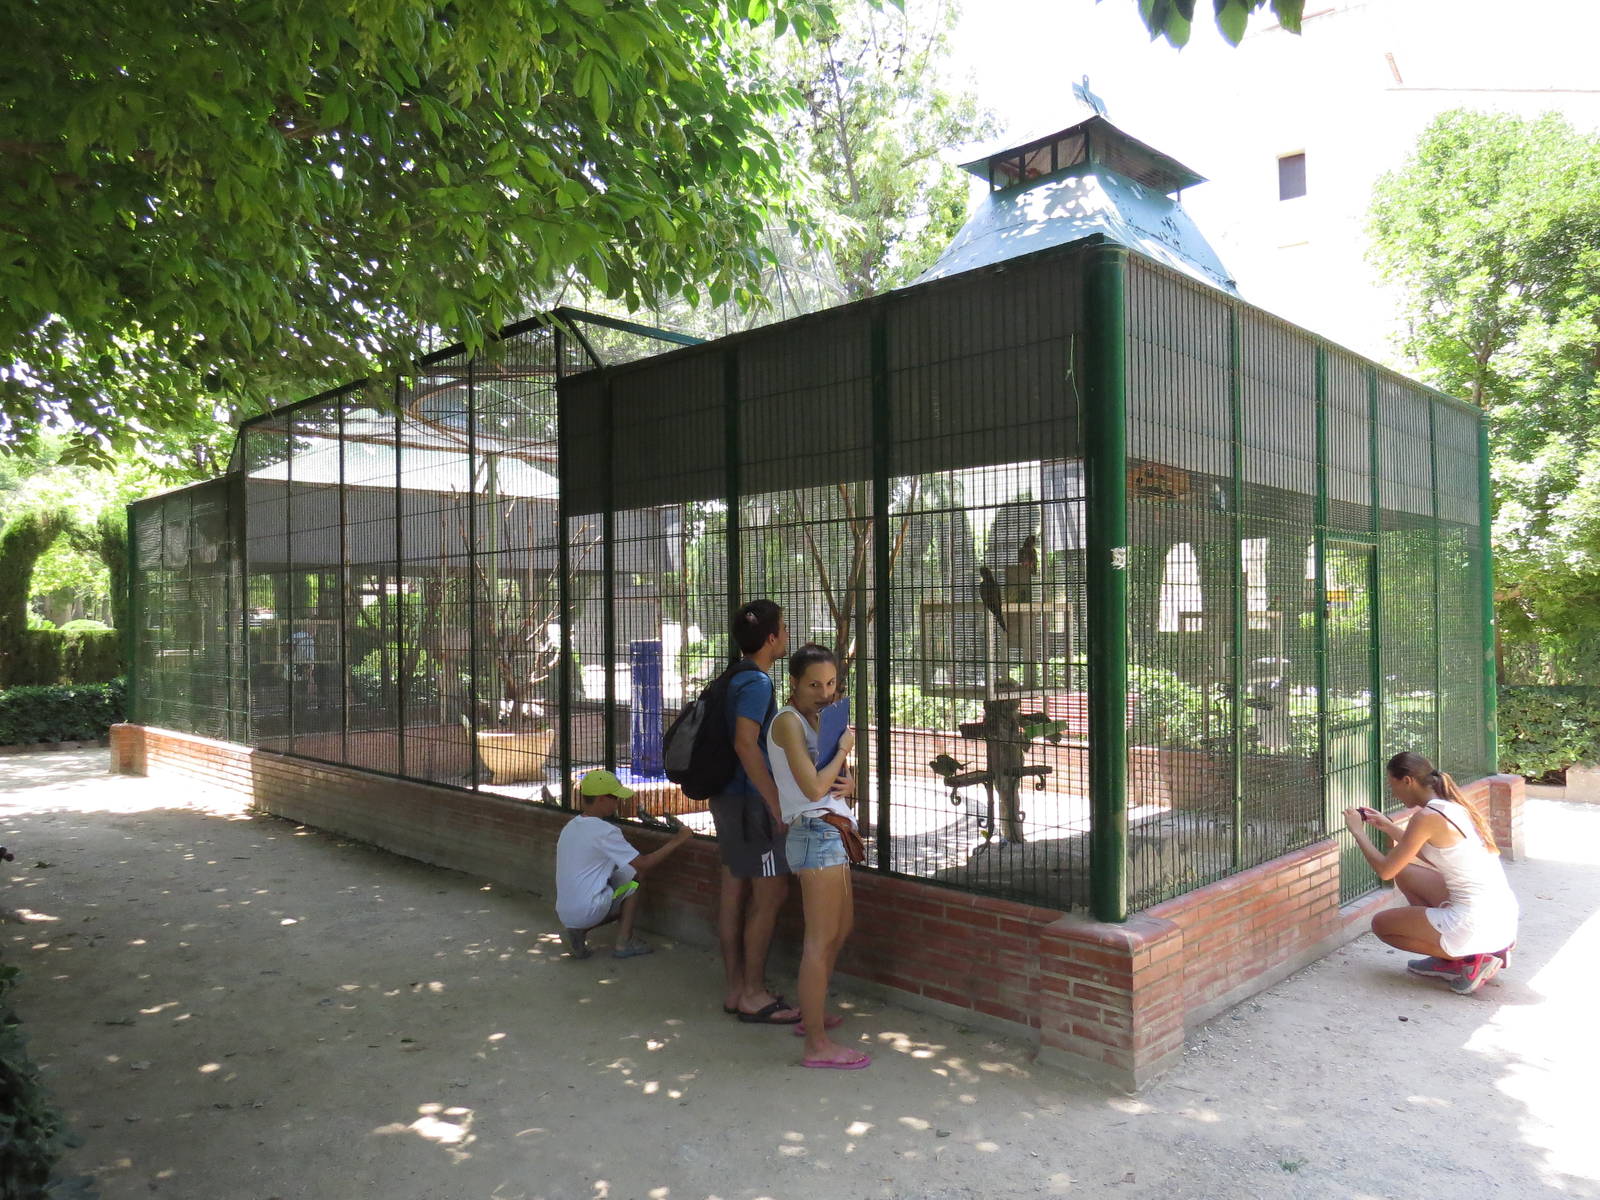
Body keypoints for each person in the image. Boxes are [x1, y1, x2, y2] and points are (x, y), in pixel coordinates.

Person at [768, 643, 868, 1068]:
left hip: (832, 831)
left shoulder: (818, 721)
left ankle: (814, 1014)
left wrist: (850, 782)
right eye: (814, 685)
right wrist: (844, 750)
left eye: (830, 684)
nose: (825, 693)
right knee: (820, 940)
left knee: (840, 930)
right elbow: (811, 789)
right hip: (815, 833)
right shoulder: (788, 722)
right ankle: (816, 1044)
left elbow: (830, 782)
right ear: (793, 683)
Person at [1344, 751, 1518, 995]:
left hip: (1474, 922)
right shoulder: (1451, 806)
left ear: (1408, 781)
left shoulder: (1426, 817)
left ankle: (1470, 959)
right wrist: (1388, 826)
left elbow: (1385, 870)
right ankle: (1464, 953)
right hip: (1500, 916)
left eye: (1393, 785)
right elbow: (1432, 854)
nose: (1393, 793)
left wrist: (1357, 832)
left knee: (1381, 924)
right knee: (1405, 872)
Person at [708, 599, 800, 1024]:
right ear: (771, 638)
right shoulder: (758, 683)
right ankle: (753, 993)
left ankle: (735, 989)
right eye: (784, 628)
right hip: (749, 803)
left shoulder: (734, 674)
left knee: (734, 891)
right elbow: (746, 744)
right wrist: (775, 802)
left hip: (728, 798)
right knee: (770, 894)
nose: (787, 635)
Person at [555, 769, 693, 960]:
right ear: (601, 799)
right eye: (615, 798)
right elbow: (643, 864)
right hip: (587, 911)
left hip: (564, 911)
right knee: (635, 877)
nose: (618, 802)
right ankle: (624, 942)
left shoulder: (571, 826)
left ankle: (577, 931)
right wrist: (679, 839)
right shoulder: (605, 831)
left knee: (622, 874)